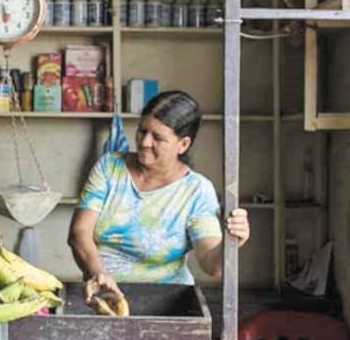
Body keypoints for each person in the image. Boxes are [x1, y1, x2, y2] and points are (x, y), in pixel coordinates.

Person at [68, 90, 250, 302]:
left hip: (169, 300)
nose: (145, 142)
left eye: (157, 137)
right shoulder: (110, 167)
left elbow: (211, 264)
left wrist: (232, 243)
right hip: (103, 295)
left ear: (183, 144)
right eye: (142, 131)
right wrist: (98, 274)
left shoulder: (197, 190)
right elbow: (79, 232)